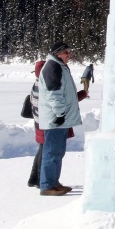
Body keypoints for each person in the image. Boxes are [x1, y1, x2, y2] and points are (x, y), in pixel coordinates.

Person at [37, 43, 85, 196]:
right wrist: (59, 114)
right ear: (57, 53)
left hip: (61, 118)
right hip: (55, 119)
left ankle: (54, 182)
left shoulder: (60, 66)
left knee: (57, 152)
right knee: (52, 152)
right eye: (66, 52)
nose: (69, 54)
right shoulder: (53, 67)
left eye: (70, 51)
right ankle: (47, 185)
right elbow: (53, 94)